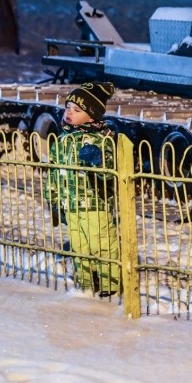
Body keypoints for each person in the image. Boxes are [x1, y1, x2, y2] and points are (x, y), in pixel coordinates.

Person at [44, 82, 121, 298]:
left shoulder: (100, 139)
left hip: (95, 205)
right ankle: (87, 285)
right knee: (80, 249)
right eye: (68, 107)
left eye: (77, 110)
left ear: (92, 116)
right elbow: (53, 172)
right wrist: (53, 199)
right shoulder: (61, 140)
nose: (69, 112)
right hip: (71, 206)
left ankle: (110, 285)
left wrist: (98, 161)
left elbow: (108, 173)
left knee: (104, 245)